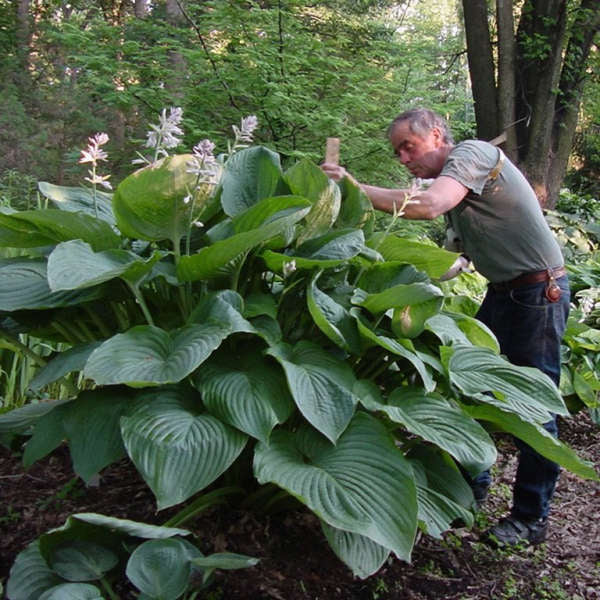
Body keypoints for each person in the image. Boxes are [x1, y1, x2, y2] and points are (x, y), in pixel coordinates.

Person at [321, 107, 570, 546]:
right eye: (397, 151)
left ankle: (531, 519)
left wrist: (355, 188)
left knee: (534, 406)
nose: (402, 159)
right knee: (466, 388)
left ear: (436, 136)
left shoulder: (473, 155)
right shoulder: (464, 197)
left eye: (408, 147)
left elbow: (430, 206)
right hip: (504, 293)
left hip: (539, 294)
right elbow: (453, 265)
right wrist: (397, 277)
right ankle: (466, 493)